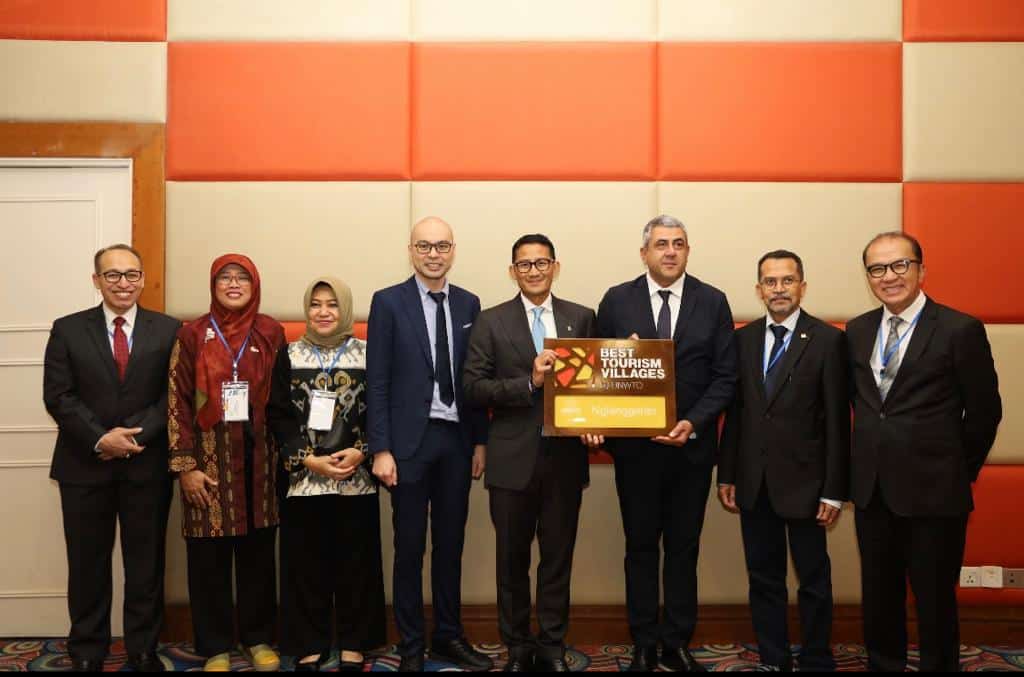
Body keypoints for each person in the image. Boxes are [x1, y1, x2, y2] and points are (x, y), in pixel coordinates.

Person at [589, 214, 737, 673]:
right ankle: (643, 642)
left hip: (691, 451)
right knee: (639, 548)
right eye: (661, 244)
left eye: (678, 243)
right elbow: (596, 374)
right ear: (644, 253)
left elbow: (725, 376)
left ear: (687, 251)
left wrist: (693, 422)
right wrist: (622, 354)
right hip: (636, 453)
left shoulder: (713, 301)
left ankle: (676, 641)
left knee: (683, 549)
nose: (670, 251)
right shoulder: (617, 300)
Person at [848, 232, 1001, 672]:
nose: (889, 276)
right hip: (873, 491)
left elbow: (985, 412)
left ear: (921, 270)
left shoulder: (959, 329)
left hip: (936, 494)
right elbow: (863, 406)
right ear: (868, 277)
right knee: (879, 596)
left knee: (934, 600)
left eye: (900, 265)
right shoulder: (857, 331)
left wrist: (955, 471)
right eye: (877, 268)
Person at [43, 244, 180, 673]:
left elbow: (173, 395)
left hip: (146, 464)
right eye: (113, 275)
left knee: (146, 565)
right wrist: (101, 438)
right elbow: (58, 396)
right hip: (84, 465)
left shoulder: (169, 330)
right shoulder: (67, 329)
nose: (124, 283)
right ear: (97, 280)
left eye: (132, 274)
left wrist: (134, 434)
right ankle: (87, 649)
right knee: (87, 564)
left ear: (143, 279)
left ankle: (143, 648)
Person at [463, 234, 596, 672]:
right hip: (511, 460)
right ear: (513, 271)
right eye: (525, 264)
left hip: (565, 460)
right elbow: (473, 387)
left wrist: (599, 416)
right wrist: (530, 383)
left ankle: (552, 646)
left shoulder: (582, 317)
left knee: (557, 560)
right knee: (511, 562)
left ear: (555, 266)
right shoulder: (490, 321)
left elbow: (596, 386)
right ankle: (518, 646)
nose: (534, 271)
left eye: (541, 263)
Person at [366, 216, 491, 672]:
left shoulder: (470, 303)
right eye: (424, 246)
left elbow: (475, 378)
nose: (433, 254)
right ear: (411, 251)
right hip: (407, 446)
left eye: (441, 246)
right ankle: (411, 645)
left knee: (450, 546)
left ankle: (448, 637)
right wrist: (381, 448)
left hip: (456, 441)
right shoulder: (388, 302)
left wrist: (480, 442)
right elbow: (377, 380)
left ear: (453, 250)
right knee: (409, 548)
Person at [717, 250, 849, 671]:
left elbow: (838, 421)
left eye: (787, 280)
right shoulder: (743, 340)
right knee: (763, 579)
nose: (779, 289)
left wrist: (834, 489)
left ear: (802, 287)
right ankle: (773, 657)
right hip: (754, 482)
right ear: (759, 290)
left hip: (808, 486)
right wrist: (727, 474)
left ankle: (816, 657)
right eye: (770, 282)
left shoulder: (828, 340)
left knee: (813, 580)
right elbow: (736, 414)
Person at [167, 254, 285, 673]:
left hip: (260, 464)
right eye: (225, 278)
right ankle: (214, 644)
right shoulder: (192, 334)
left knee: (258, 558)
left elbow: (284, 398)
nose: (233, 284)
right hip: (209, 463)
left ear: (255, 285)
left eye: (242, 278)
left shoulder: (270, 331)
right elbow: (178, 402)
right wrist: (185, 466)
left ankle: (257, 638)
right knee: (208, 560)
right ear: (213, 285)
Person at [267, 277, 386, 672]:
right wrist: (307, 459)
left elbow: (382, 408)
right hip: (304, 481)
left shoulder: (368, 353)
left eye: (332, 304)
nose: (323, 312)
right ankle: (309, 642)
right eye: (315, 304)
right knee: (305, 566)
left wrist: (363, 450)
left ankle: (354, 642)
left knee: (357, 564)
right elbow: (278, 414)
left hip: (357, 478)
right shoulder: (289, 354)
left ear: (345, 309)